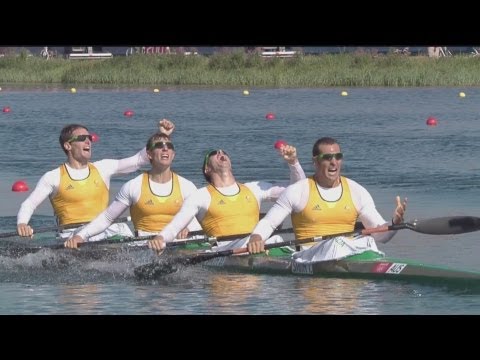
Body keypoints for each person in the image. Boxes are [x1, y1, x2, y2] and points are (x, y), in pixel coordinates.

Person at [247, 136, 407, 262]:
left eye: (338, 157)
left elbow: (380, 235)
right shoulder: (298, 190)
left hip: (347, 252)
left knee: (368, 241)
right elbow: (269, 223)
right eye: (327, 157)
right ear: (315, 161)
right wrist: (256, 237)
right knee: (336, 243)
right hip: (309, 256)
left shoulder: (356, 191)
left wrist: (394, 224)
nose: (333, 162)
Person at [17, 119, 175, 241]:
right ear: (68, 146)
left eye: (89, 138)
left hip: (103, 230)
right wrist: (22, 224)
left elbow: (138, 160)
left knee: (124, 231)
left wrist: (163, 137)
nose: (88, 141)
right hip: (72, 234)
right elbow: (29, 204)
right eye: (82, 138)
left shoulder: (103, 168)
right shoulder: (53, 177)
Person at [147, 144, 306, 252]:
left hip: (258, 244)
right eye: (215, 154)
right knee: (263, 240)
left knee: (275, 239)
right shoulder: (200, 196)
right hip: (224, 249)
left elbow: (297, 191)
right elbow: (176, 225)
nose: (221, 154)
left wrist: (293, 163)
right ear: (207, 169)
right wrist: (161, 238)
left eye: (224, 153)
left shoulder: (254, 188)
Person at [64, 130, 201, 248]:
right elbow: (107, 218)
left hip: (179, 242)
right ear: (149, 154)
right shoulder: (133, 186)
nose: (165, 149)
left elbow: (202, 218)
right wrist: (80, 236)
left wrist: (190, 228)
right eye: (159, 146)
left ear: (173, 154)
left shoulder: (187, 186)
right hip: (145, 245)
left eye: (169, 146)